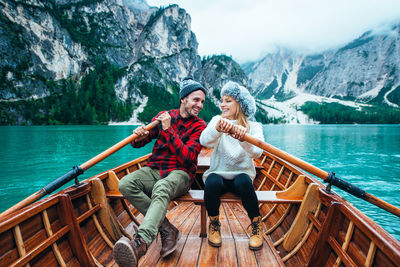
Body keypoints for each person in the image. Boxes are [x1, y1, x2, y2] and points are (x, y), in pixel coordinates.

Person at [113, 77, 207, 267]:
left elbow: (188, 158)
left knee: (162, 187)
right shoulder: (164, 116)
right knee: (125, 184)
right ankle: (167, 228)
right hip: (155, 169)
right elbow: (139, 143)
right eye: (196, 100)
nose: (200, 105)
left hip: (181, 174)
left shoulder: (200, 126)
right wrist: (139, 135)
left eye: (202, 101)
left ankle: (141, 243)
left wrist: (169, 130)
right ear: (183, 99)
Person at [199, 81, 265, 250]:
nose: (222, 104)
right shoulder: (217, 120)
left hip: (241, 176)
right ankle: (214, 224)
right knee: (211, 182)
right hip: (219, 174)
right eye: (222, 100)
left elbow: (257, 152)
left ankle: (256, 226)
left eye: (228, 100)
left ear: (240, 104)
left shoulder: (254, 126)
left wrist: (244, 139)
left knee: (244, 182)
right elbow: (204, 141)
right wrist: (218, 129)